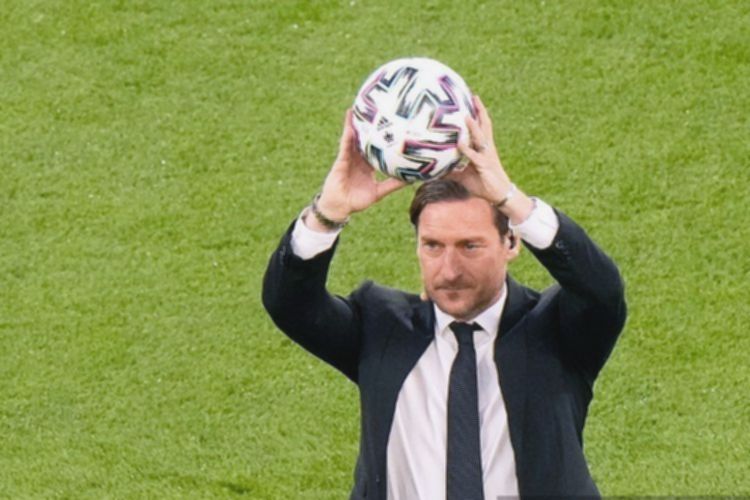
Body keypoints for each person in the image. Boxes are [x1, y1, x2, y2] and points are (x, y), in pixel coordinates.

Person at [262, 96, 627, 499]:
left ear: (511, 242)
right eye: (433, 246)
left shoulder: (555, 330)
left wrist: (510, 199)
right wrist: (327, 215)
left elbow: (601, 290)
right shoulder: (382, 328)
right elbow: (289, 304)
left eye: (470, 246)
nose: (449, 270)